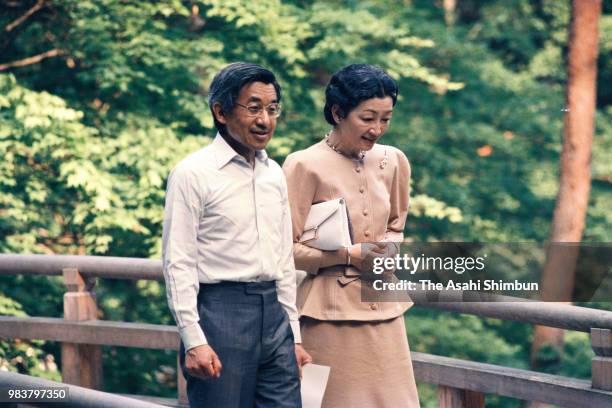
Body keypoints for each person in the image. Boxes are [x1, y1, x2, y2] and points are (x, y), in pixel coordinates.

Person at [162, 62, 311, 408]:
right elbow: (178, 262)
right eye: (254, 107)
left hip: (274, 316)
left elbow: (283, 259)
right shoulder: (192, 174)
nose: (265, 120)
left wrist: (295, 335)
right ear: (221, 111)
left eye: (272, 109)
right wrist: (193, 339)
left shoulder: (274, 173)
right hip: (221, 315)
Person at [282, 64, 420, 408]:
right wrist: (349, 255)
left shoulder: (394, 160)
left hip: (385, 308)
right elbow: (284, 250)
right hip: (325, 317)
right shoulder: (302, 164)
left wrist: (389, 248)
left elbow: (396, 225)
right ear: (337, 112)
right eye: (368, 118)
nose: (377, 129)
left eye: (386, 119)